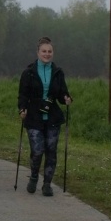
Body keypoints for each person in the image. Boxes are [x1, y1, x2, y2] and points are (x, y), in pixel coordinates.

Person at [17, 36, 72, 196]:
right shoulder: (29, 72)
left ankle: (47, 184)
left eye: (50, 51)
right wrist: (22, 109)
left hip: (53, 117)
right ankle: (34, 176)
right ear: (38, 52)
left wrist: (67, 99)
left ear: (53, 53)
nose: (47, 54)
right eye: (44, 51)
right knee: (37, 150)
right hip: (34, 116)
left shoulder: (58, 72)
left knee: (51, 150)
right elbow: (22, 94)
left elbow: (63, 94)